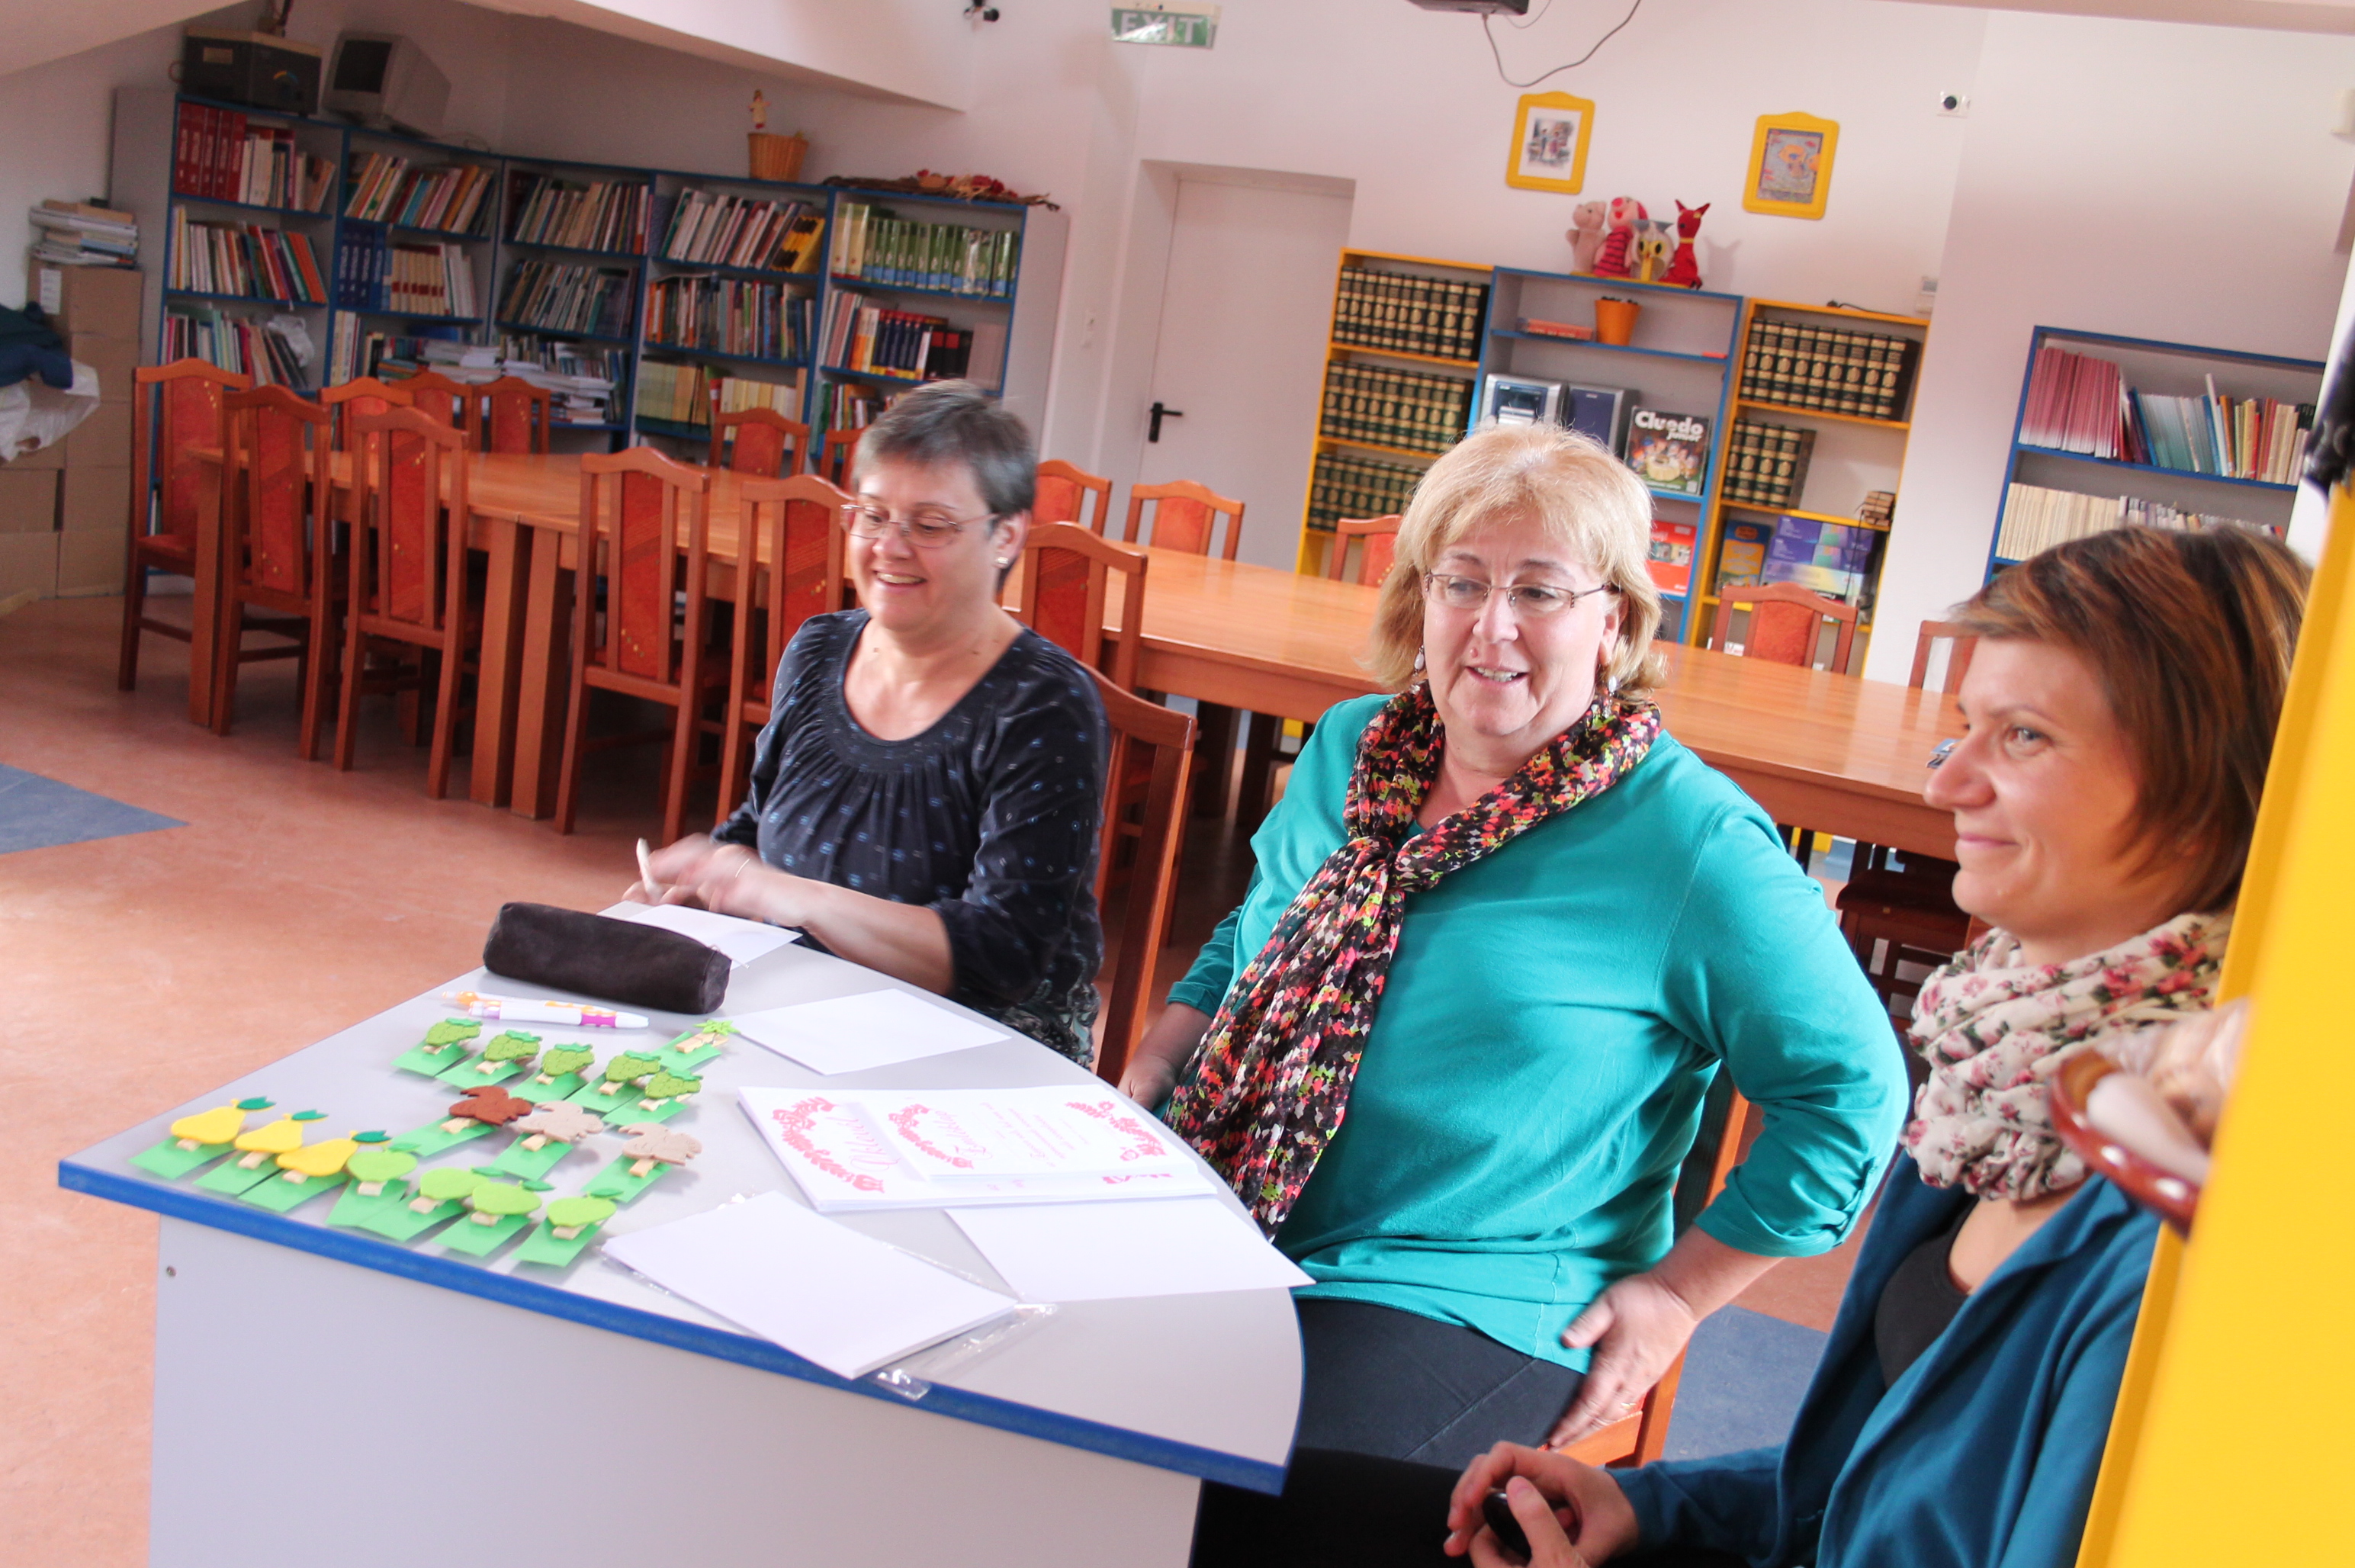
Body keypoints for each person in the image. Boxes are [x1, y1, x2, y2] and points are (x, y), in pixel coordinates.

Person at [1194, 522, 2308, 1568]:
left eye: (2023, 736)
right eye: (1965, 726)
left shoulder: (2194, 1211)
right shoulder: (2001, 1096)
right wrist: (1653, 1509)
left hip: (1476, 1295)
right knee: (1186, 1498)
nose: (1947, 783)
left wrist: (1679, 1295)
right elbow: (1858, 1481)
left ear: (2209, 785)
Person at [1125, 422, 1907, 1479]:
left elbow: (1850, 1095)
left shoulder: (1691, 843)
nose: (1492, 625)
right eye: (1462, 583)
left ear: (1612, 619)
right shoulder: (1352, 745)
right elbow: (1254, 928)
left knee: (1223, 1491)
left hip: (1471, 1292)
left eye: (1539, 590)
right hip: (1221, 1209)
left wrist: (1678, 1297)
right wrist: (1157, 1062)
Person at [631, 381, 1108, 1063]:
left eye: (930, 524)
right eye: (874, 515)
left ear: (1006, 535)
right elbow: (761, 828)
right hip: (801, 1009)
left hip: (981, 1046)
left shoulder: (1044, 704)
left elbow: (1002, 956)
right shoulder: (819, 648)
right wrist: (706, 878)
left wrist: (789, 895)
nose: (890, 546)